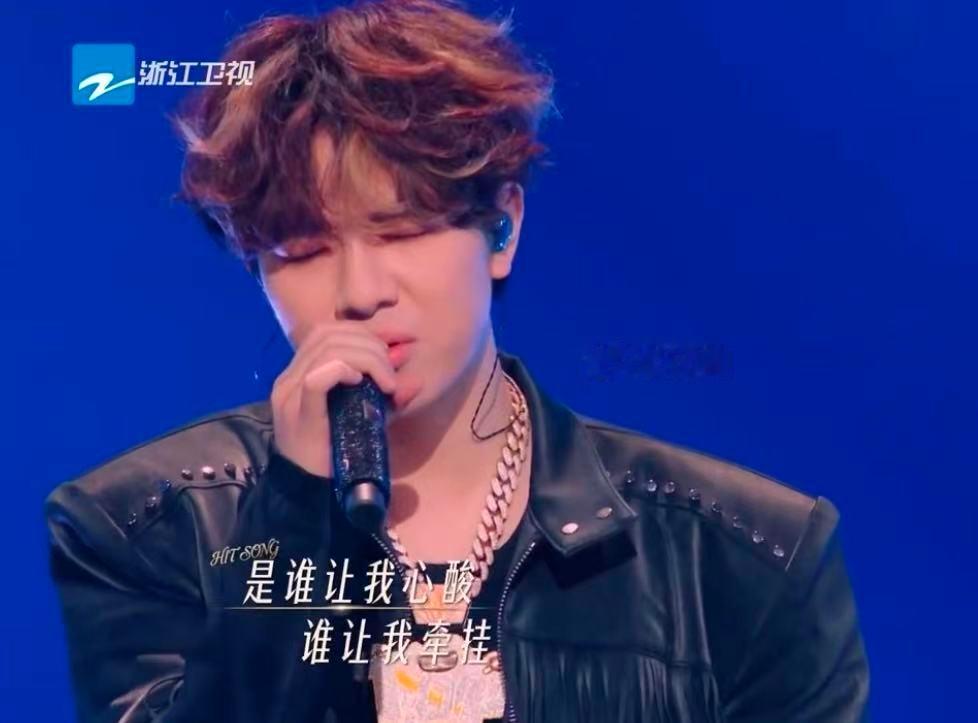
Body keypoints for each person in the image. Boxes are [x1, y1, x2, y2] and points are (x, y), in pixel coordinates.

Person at [44, 1, 870, 721]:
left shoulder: (746, 554)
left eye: (401, 231)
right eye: (302, 249)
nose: (359, 292)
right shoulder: (137, 526)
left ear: (501, 228)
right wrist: (293, 513)